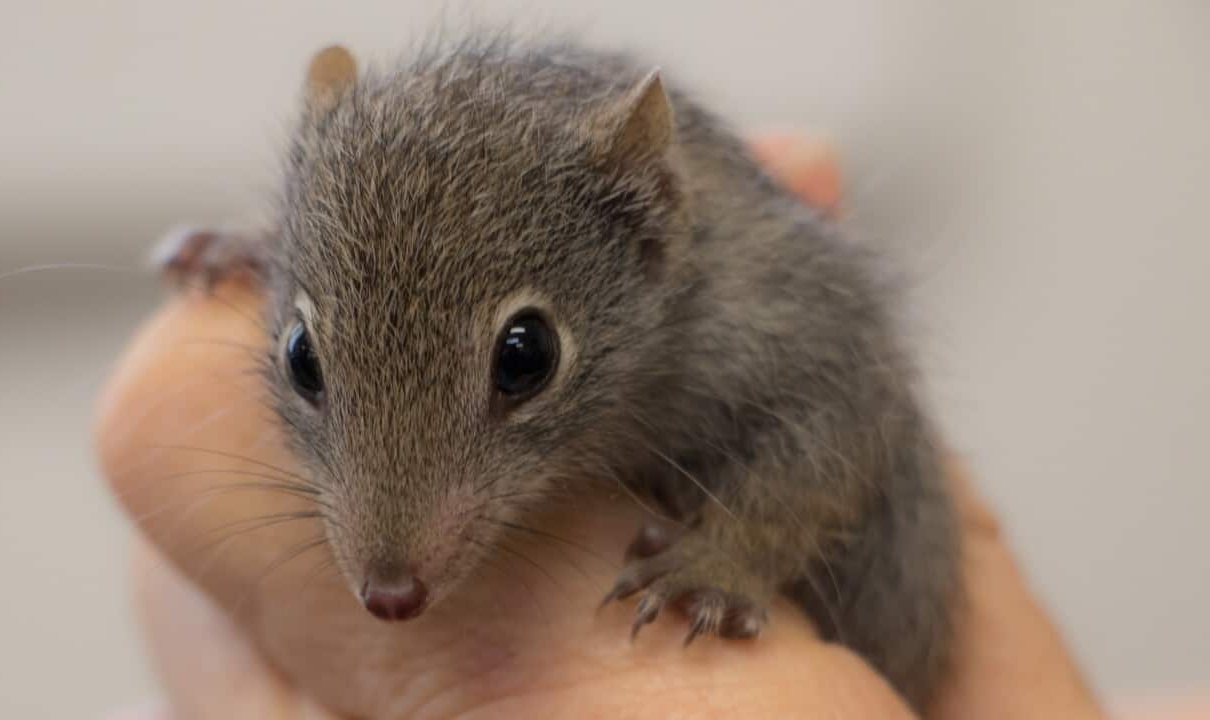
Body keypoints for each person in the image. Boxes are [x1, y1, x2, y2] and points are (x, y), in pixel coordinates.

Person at [97, 133, 1108, 719]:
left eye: (520, 361)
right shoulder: (347, 221)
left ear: (646, 221)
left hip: (870, 639)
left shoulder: (751, 306)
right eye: (307, 364)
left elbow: (846, 392)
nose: (388, 577)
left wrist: (738, 551)